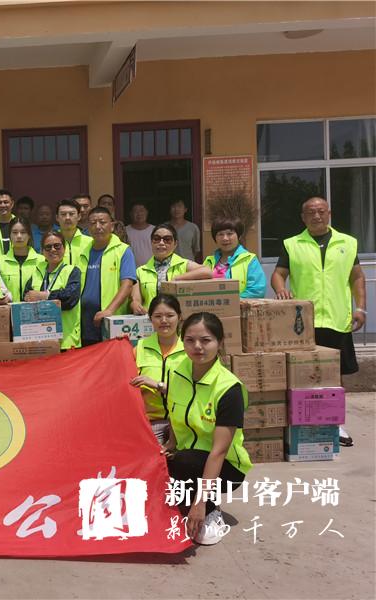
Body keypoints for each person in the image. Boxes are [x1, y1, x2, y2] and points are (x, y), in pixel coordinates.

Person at [132, 312, 251, 545]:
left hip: (224, 467)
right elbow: (175, 411)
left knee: (185, 462)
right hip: (186, 455)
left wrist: (200, 503)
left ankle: (209, 508)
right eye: (190, 340)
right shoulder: (177, 372)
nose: (197, 347)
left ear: (219, 343)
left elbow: (219, 451)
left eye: (206, 340)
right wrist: (170, 444)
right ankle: (187, 500)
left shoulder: (229, 388)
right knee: (154, 460)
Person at [271, 196, 366, 446]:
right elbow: (278, 274)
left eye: (321, 211)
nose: (316, 216)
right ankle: (303, 423)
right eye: (311, 212)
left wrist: (361, 308)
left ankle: (336, 423)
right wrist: (281, 290)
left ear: (329, 214)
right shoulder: (292, 244)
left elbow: (357, 277)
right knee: (302, 373)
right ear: (303, 217)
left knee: (336, 374)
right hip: (303, 323)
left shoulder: (348, 243)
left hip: (337, 319)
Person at [128, 294, 185, 443]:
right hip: (150, 423)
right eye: (158, 316)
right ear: (150, 319)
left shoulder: (189, 350)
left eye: (170, 315)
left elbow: (193, 391)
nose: (164, 321)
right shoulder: (140, 348)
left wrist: (157, 385)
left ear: (179, 317)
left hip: (183, 422)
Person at [77, 207, 136, 346]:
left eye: (102, 222)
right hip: (84, 323)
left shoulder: (123, 250)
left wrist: (109, 310)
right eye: (93, 223)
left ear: (112, 226)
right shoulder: (82, 252)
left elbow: (127, 285)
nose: (98, 227)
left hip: (112, 322)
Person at [131, 224, 212, 314]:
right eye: (156, 239)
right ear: (151, 242)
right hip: (151, 318)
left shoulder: (183, 264)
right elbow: (136, 299)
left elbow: (208, 271)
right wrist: (135, 304)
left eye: (167, 239)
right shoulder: (140, 271)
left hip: (177, 318)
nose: (161, 243)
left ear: (175, 244)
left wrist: (178, 278)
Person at [25, 231, 82, 350]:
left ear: (64, 248)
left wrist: (44, 296)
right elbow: (26, 296)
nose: (53, 250)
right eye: (48, 247)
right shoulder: (37, 271)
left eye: (57, 246)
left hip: (66, 340)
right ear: (42, 251)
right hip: (40, 339)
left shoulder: (72, 271)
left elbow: (70, 299)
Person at [204, 217, 266, 298]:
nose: (225, 238)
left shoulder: (249, 260)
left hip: (241, 305)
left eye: (229, 234)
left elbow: (257, 291)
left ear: (239, 236)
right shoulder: (208, 261)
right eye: (220, 234)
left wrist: (232, 302)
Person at [0, 216, 45, 304]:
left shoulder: (41, 261)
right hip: (8, 310)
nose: (19, 236)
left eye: (23, 232)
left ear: (29, 235)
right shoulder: (0, 262)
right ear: (9, 235)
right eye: (15, 232)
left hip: (35, 310)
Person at [55, 198, 92, 266]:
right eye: (63, 214)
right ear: (57, 218)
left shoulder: (90, 242)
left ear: (79, 216)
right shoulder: (51, 243)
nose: (67, 218)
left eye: (71, 214)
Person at [125, 202, 155, 267]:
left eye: (141, 211)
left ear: (147, 212)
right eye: (135, 211)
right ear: (131, 214)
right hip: (131, 269)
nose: (139, 214)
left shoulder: (155, 230)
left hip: (151, 269)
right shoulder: (125, 231)